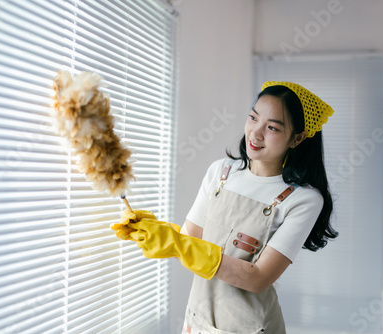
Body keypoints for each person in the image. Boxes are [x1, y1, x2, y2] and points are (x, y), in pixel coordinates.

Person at [111, 81, 339, 334]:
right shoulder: (221, 171)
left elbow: (257, 279)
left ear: (297, 138)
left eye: (272, 127)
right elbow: (191, 242)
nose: (255, 133)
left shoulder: (303, 199)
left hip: (251, 327)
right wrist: (156, 231)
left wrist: (176, 243)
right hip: (198, 320)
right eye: (253, 118)